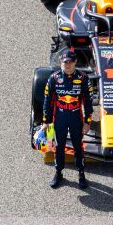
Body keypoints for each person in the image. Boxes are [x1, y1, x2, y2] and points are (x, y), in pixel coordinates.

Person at [42, 49, 92, 189]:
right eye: (65, 62)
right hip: (60, 118)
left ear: (75, 62)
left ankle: (81, 174)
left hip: (76, 118)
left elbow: (88, 102)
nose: (67, 65)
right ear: (61, 63)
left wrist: (87, 122)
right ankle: (58, 173)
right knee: (59, 147)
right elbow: (48, 101)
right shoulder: (54, 78)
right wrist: (46, 121)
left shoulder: (83, 79)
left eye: (70, 62)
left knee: (78, 147)